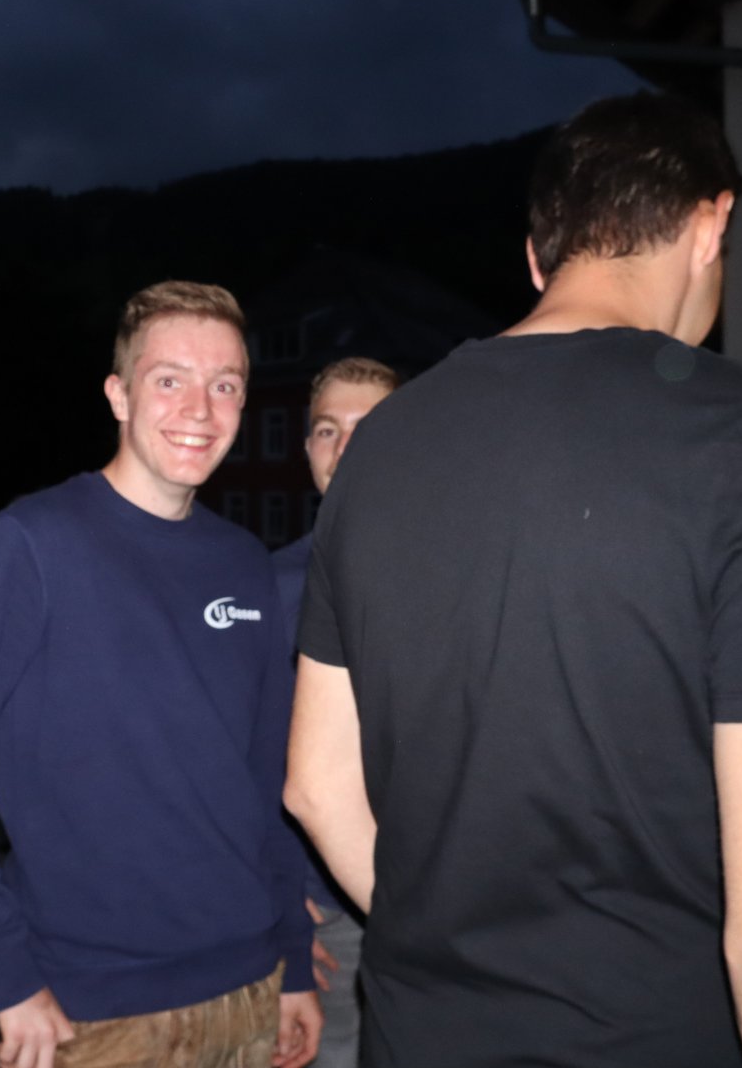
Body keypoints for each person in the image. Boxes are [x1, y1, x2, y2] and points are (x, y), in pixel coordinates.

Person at [285, 92, 742, 1067]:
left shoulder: (380, 452)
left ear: (540, 260)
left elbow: (318, 785)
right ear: (712, 224)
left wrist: (453, 951)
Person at [0, 281, 321, 1068]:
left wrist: (292, 957)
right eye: (170, 380)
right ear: (118, 395)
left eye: (225, 385)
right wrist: (7, 975)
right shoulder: (36, 543)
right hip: (98, 1008)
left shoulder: (243, 564)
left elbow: (268, 778)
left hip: (250, 987)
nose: (200, 409)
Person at [270, 357, 397, 1068]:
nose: (345, 449)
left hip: (455, 900)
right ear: (308, 449)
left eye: (369, 428)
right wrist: (282, 905)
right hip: (329, 909)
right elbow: (249, 759)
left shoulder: (465, 572)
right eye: (327, 430)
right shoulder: (269, 588)